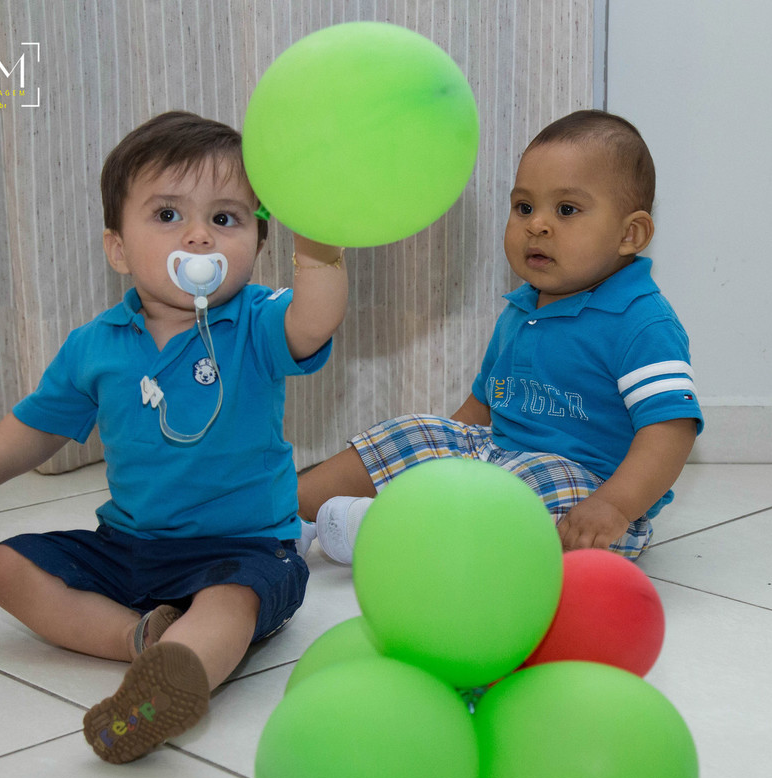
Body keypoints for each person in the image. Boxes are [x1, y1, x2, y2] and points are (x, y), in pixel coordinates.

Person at [0, 111, 348, 763]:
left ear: (258, 244)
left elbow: (314, 323)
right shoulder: (95, 345)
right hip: (129, 545)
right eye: (169, 215)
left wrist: (321, 249)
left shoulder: (257, 323)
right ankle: (140, 638)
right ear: (117, 246)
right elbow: (42, 425)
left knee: (231, 603)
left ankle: (175, 677)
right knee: (8, 567)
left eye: (226, 219)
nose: (200, 235)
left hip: (244, 546)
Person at [298, 110, 701, 564]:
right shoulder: (521, 309)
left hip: (586, 492)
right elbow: (482, 406)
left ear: (631, 234)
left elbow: (670, 429)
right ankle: (281, 513)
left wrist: (614, 505)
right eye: (524, 207)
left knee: (521, 498)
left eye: (566, 210)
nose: (537, 225)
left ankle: (391, 528)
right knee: (412, 432)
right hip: (496, 457)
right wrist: (438, 456)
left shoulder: (641, 321)